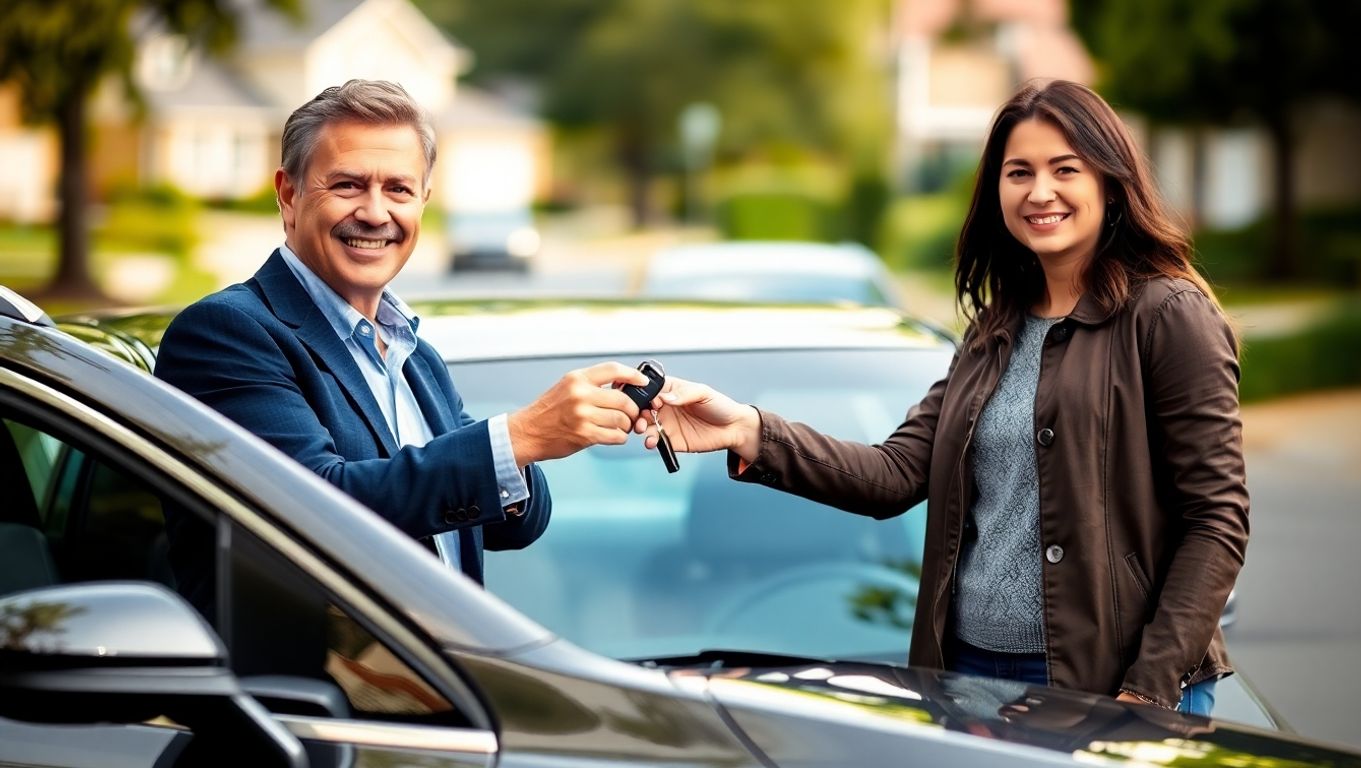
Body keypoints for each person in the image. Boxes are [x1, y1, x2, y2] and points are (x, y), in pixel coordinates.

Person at [642, 79, 1249, 715]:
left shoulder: (1168, 315)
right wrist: (747, 429)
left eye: (1064, 169)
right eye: (1019, 172)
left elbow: (1217, 518)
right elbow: (896, 473)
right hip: (967, 677)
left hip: (1111, 684)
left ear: (1109, 180)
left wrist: (1146, 688)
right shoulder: (997, 328)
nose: (1040, 192)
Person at [155, 79, 651, 607]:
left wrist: (529, 447)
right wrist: (518, 437)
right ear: (289, 195)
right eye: (347, 185)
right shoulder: (226, 334)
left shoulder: (416, 356)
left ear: (423, 201)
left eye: (398, 189)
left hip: (448, 684)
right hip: (317, 687)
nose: (375, 213)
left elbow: (513, 528)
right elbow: (312, 510)